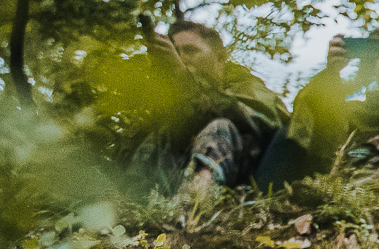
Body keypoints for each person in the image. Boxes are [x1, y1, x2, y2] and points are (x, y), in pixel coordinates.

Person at [257, 27, 379, 186]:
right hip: (331, 199)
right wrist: (331, 75)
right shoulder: (351, 114)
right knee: (285, 132)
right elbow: (309, 133)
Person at [123, 21, 288, 193]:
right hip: (176, 186)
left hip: (247, 180)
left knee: (220, 126)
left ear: (220, 57)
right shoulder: (169, 102)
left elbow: (258, 125)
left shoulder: (246, 85)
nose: (180, 58)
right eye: (176, 52)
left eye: (190, 50)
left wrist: (181, 76)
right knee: (158, 137)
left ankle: (194, 205)